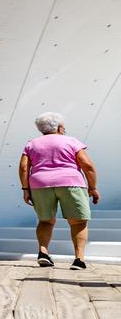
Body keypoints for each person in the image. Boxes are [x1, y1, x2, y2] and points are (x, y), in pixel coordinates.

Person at [19, 112, 99, 270]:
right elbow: (87, 165)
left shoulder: (32, 144)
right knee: (78, 222)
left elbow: (23, 168)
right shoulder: (72, 141)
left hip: (40, 184)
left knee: (45, 221)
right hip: (71, 182)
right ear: (60, 127)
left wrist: (25, 189)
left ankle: (43, 252)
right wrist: (93, 188)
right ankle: (79, 259)